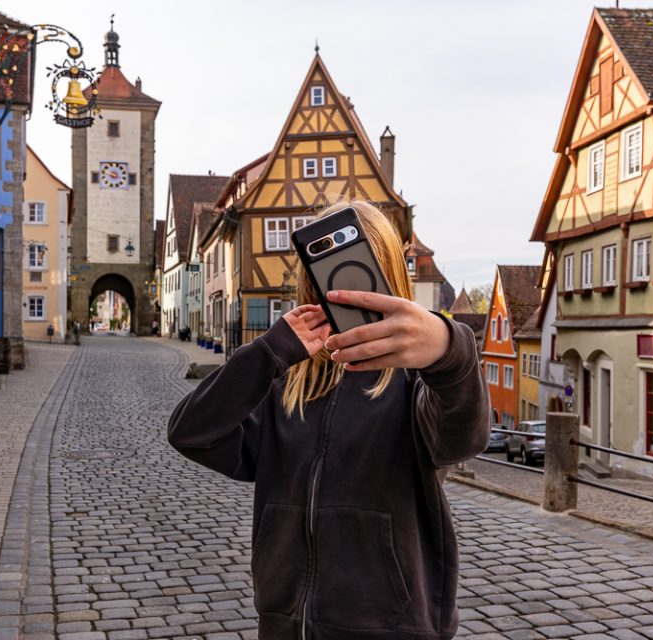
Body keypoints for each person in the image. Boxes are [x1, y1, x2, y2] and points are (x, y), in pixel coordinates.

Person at [168, 201, 490, 640]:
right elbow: (190, 432)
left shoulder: (417, 385)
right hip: (286, 624)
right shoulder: (288, 389)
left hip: (393, 628)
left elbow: (463, 438)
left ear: (389, 276)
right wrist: (268, 353)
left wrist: (452, 351)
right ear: (309, 283)